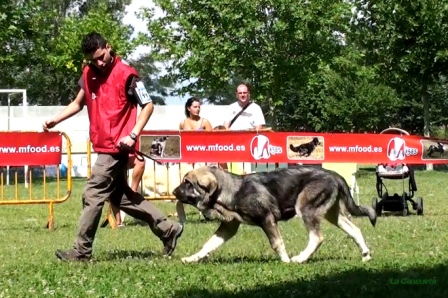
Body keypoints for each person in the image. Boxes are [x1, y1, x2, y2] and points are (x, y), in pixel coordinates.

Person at [43, 32, 183, 261]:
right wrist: (55, 120)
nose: (98, 63)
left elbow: (147, 105)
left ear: (108, 47)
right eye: (92, 59)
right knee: (121, 197)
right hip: (103, 144)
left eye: (100, 57)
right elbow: (78, 103)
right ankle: (168, 228)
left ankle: (81, 252)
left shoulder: (127, 75)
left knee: (92, 193)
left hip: (118, 147)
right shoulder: (89, 73)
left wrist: (133, 134)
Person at [224, 84, 266, 174]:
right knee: (233, 173)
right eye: (240, 93)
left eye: (244, 92)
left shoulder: (256, 108)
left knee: (247, 173)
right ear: (237, 94)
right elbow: (225, 127)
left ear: (248, 94)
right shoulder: (231, 107)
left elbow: (259, 127)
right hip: (233, 145)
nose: (242, 95)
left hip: (248, 145)